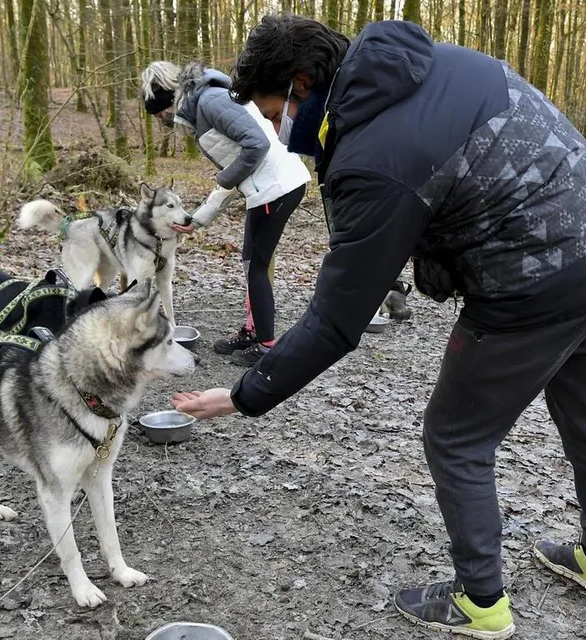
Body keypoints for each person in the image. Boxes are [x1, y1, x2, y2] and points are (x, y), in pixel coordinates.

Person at [172, 14, 586, 640]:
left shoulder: (374, 159)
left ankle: (482, 602)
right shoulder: (430, 62)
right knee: (581, 413)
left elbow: (337, 321)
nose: (273, 128)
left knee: (455, 437)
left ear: (304, 85)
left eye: (272, 109)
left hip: (530, 281)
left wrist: (243, 393)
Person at [141, 60, 311, 367]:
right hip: (264, 190)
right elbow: (237, 168)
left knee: (256, 265)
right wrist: (199, 218)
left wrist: (224, 178)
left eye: (158, 113)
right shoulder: (202, 107)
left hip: (278, 188)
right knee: (250, 262)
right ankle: (252, 330)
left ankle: (266, 345)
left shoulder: (210, 100)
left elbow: (255, 146)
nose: (161, 119)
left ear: (167, 98)